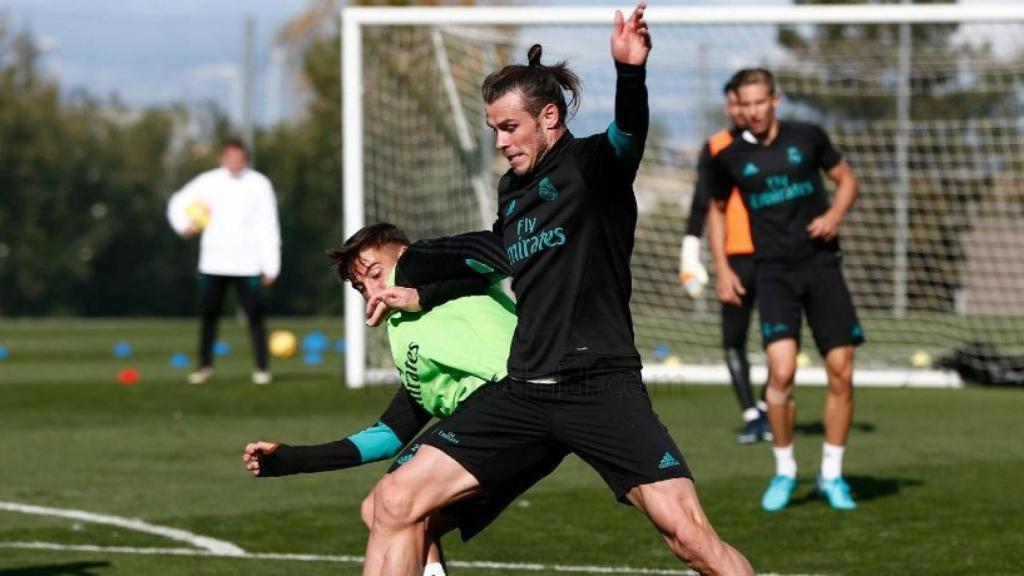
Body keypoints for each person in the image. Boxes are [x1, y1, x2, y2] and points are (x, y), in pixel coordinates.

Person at [359, 5, 753, 575]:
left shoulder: (594, 166)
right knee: (393, 502)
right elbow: (499, 257)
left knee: (689, 536)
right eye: (493, 130)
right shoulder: (512, 191)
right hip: (522, 392)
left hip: (600, 386)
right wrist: (424, 295)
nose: (500, 142)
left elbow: (629, 132)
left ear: (548, 117)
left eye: (509, 127)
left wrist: (630, 72)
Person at [242, 223, 564, 576]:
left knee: (395, 499)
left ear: (404, 255)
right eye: (361, 287)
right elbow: (388, 434)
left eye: (376, 274)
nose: (372, 291)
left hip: (520, 398)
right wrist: (291, 459)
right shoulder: (410, 337)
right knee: (379, 509)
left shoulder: (430, 269)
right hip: (490, 419)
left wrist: (422, 293)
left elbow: (498, 258)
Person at [707, 68, 864, 512]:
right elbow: (716, 211)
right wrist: (722, 267)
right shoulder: (728, 157)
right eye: (746, 104)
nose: (754, 111)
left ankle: (832, 474)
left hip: (821, 266)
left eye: (761, 102)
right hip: (773, 272)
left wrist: (833, 216)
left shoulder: (808, 137)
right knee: (780, 373)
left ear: (775, 100)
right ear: (737, 106)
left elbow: (848, 181)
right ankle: (785, 470)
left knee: (841, 370)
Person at [681, 79, 771, 444]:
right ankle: (752, 415)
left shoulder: (776, 143)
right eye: (735, 103)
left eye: (747, 102)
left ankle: (767, 406)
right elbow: (701, 203)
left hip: (778, 257)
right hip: (735, 259)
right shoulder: (717, 147)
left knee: (782, 340)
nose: (741, 110)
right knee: (733, 339)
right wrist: (690, 254)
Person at [166, 138, 281, 385]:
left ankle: (262, 368)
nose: (235, 162)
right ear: (222, 158)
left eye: (240, 158)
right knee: (209, 314)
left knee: (255, 315)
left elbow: (268, 224)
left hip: (248, 263)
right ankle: (205, 366)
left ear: (246, 159)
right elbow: (178, 202)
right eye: (231, 157)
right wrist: (183, 226)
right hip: (214, 262)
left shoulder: (259, 184)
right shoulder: (207, 181)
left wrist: (271, 264)